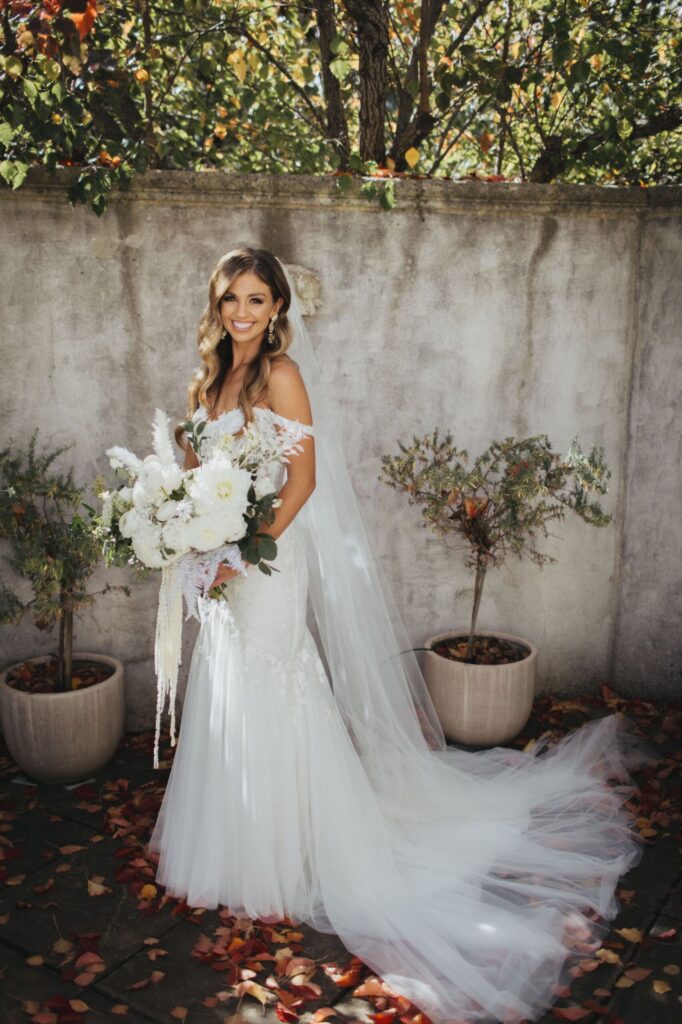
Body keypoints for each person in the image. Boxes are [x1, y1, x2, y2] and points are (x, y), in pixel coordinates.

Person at [148, 246, 658, 1024]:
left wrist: (245, 554)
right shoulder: (208, 381)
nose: (243, 313)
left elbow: (305, 480)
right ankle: (239, 838)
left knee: (277, 688)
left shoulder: (281, 376)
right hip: (217, 569)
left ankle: (296, 848)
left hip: (267, 567)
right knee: (226, 689)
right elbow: (195, 476)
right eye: (231, 300)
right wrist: (184, 530)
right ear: (216, 307)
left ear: (277, 308)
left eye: (257, 300)